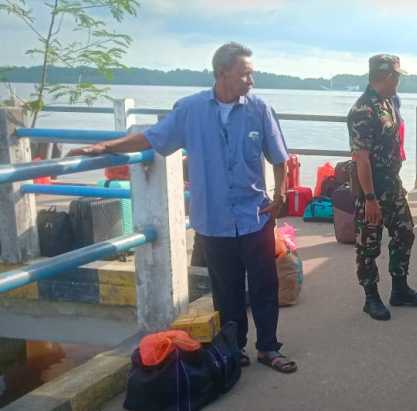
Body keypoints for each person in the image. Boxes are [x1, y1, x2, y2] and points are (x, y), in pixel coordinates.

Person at [68, 42, 297, 373]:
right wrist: (106, 146)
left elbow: (279, 157)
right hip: (213, 219)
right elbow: (150, 137)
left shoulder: (259, 110)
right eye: (245, 73)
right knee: (227, 290)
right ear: (222, 73)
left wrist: (279, 197)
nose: (251, 80)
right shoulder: (190, 111)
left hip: (254, 216)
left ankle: (269, 348)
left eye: (252, 73)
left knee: (264, 285)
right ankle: (235, 349)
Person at [347, 54, 417, 322]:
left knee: (405, 233)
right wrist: (370, 198)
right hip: (372, 188)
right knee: (368, 244)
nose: (398, 82)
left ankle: (400, 288)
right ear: (385, 76)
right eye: (396, 77)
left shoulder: (388, 103)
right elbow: (361, 159)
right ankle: (371, 297)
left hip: (392, 185)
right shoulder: (363, 110)